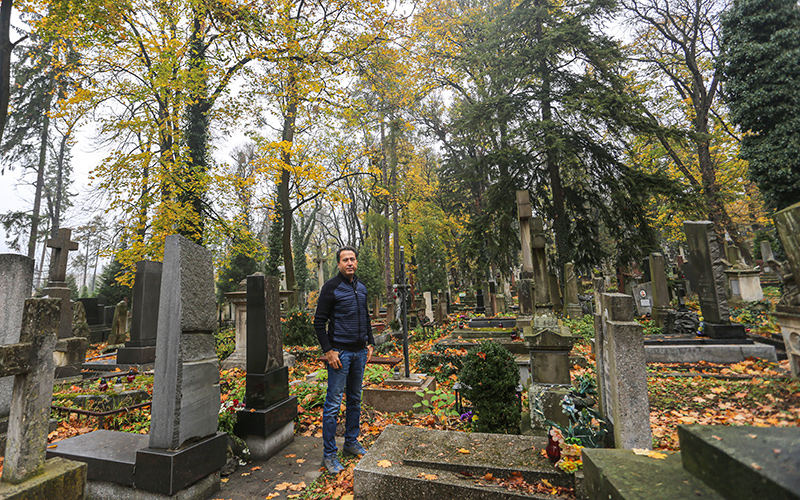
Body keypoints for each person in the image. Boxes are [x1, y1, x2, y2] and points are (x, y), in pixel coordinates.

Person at [314, 245, 375, 473]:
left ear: (356, 262)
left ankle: (350, 442)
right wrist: (329, 351)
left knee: (355, 400)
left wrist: (370, 342)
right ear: (338, 264)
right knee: (332, 405)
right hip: (340, 354)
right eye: (345, 260)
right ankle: (329, 455)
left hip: (359, 353)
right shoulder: (331, 288)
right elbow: (319, 322)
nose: (350, 263)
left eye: (352, 259)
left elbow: (366, 317)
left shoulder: (361, 287)